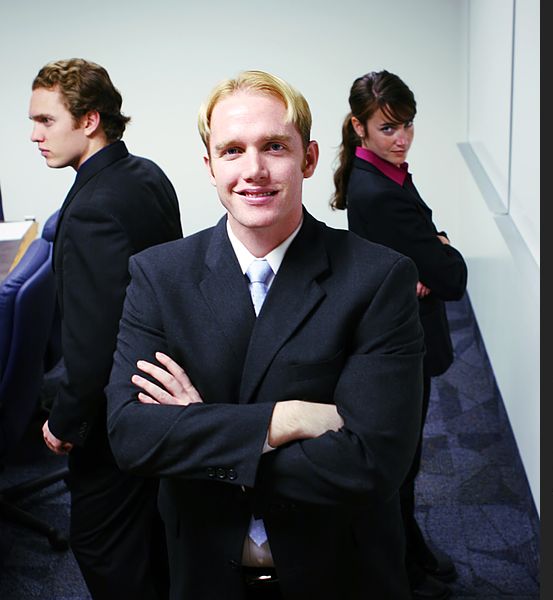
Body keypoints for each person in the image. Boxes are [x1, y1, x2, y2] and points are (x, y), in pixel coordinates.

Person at [106, 70, 425, 600]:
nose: (253, 170)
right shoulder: (159, 275)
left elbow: (372, 464)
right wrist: (287, 419)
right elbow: (130, 436)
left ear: (309, 158)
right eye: (232, 150)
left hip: (339, 570)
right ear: (209, 165)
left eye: (274, 146)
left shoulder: (378, 278)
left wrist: (194, 432)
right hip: (204, 566)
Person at [29, 58, 183, 599]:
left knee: (99, 544)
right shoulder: (147, 174)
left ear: (89, 120)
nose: (34, 135)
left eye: (47, 121)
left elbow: (93, 345)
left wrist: (67, 421)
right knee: (149, 538)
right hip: (163, 386)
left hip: (119, 409)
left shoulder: (94, 207)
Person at [331, 70, 468, 600]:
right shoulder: (378, 190)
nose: (402, 138)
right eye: (388, 128)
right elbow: (453, 278)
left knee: (405, 459)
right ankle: (402, 564)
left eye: (407, 125)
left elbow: (428, 264)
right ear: (359, 127)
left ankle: (408, 552)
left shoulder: (383, 173)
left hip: (399, 332)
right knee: (400, 462)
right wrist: (442, 249)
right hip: (401, 343)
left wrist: (432, 252)